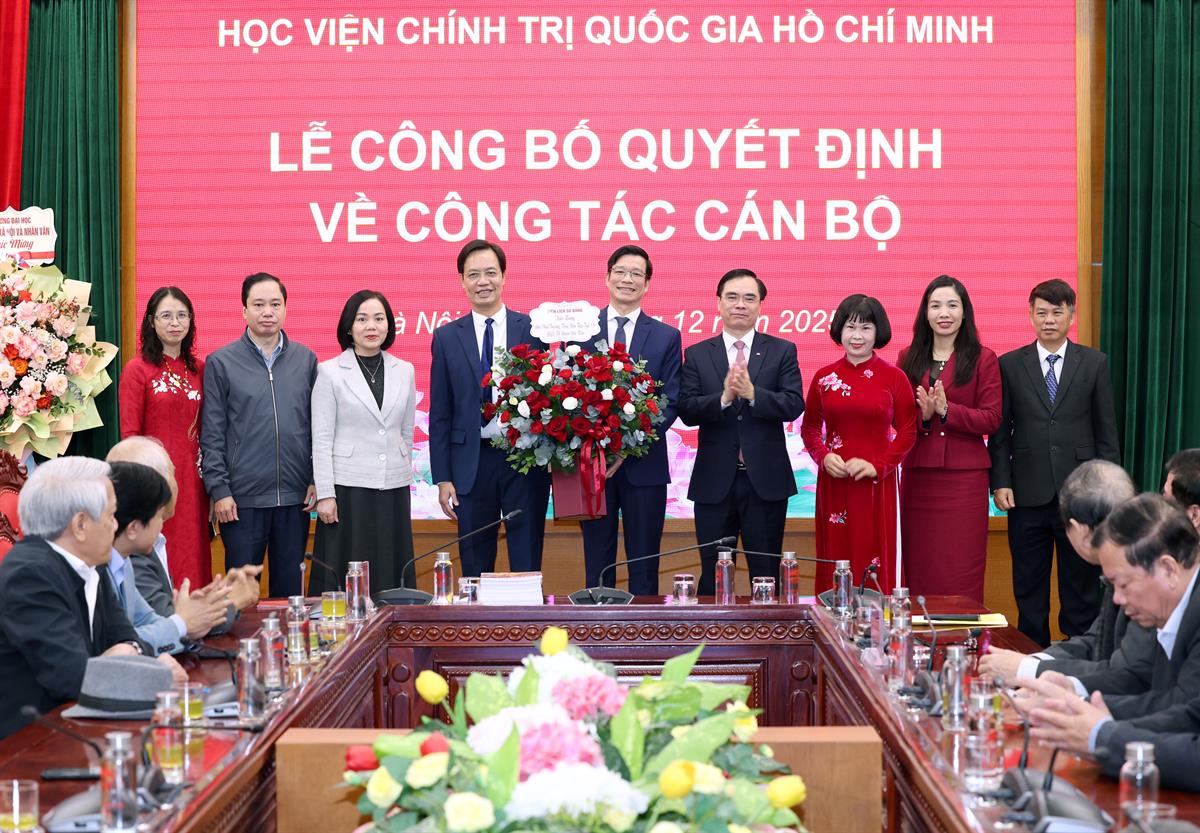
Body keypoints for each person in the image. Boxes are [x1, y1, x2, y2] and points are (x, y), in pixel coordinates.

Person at [1021, 493, 1200, 775]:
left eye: (1123, 584)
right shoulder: (1175, 607)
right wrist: (1077, 707)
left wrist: (1101, 736)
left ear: (1168, 569)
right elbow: (1179, 706)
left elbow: (1190, 729)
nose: (1117, 599)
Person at [989, 278, 1120, 646]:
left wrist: (1106, 490)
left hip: (1079, 495)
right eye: (1042, 312)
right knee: (1028, 582)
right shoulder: (1010, 364)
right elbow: (1000, 432)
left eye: (1057, 312)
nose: (1049, 320)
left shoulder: (1094, 363)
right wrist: (1001, 482)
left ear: (1071, 316)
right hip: (1025, 493)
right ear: (1030, 316)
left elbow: (1106, 431)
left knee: (1080, 584)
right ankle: (1032, 653)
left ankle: (1080, 651)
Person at [678, 269, 804, 595]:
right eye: (732, 297)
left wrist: (752, 394)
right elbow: (687, 409)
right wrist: (722, 399)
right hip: (713, 483)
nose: (740, 305)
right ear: (718, 302)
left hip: (765, 483)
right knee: (714, 575)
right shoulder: (697, 354)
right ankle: (712, 630)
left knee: (766, 575)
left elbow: (793, 404)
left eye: (749, 298)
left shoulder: (782, 350)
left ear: (760, 305)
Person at [429, 240, 551, 576]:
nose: (483, 281)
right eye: (473, 275)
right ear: (462, 281)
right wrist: (443, 477)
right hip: (470, 463)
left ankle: (527, 612)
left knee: (526, 558)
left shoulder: (533, 330)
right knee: (474, 562)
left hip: (523, 460)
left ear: (503, 276)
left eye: (490, 273)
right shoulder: (446, 337)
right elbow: (440, 414)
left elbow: (548, 398)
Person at [0, 458, 145, 738]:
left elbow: (132, 640)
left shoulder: (91, 564)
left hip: (78, 730)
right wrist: (121, 662)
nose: (116, 525)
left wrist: (127, 654)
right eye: (111, 516)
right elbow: (74, 679)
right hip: (28, 747)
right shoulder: (30, 576)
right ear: (80, 525)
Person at [201, 273, 318, 598]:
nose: (268, 312)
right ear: (244, 311)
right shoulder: (221, 362)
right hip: (241, 502)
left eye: (275, 304)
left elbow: (316, 428)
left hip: (294, 500)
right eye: (259, 304)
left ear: (285, 309)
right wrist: (220, 490)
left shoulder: (306, 360)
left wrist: (315, 478)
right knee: (241, 597)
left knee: (290, 596)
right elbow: (212, 433)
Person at [979, 459, 1147, 680]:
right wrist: (1030, 661)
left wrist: (1028, 670)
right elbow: (1095, 641)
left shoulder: (1145, 578)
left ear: (1078, 529)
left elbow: (1125, 674)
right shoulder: (1127, 563)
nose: (1118, 596)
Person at [578, 246, 682, 595]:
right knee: (597, 561)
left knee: (644, 563)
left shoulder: (667, 336)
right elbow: (568, 393)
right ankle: (596, 623)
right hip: (592, 466)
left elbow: (670, 400)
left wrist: (626, 446)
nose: (628, 279)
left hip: (645, 465)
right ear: (607, 278)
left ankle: (646, 628)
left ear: (647, 284)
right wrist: (599, 445)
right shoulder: (581, 332)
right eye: (621, 272)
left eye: (636, 274)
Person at [801, 295, 916, 595]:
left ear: (878, 332)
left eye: (866, 328)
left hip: (878, 484)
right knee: (836, 555)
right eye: (851, 327)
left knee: (876, 556)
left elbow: (908, 431)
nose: (857, 335)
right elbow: (810, 428)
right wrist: (823, 457)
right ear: (839, 330)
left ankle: (881, 620)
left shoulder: (894, 377)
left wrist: (879, 466)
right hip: (834, 482)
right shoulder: (824, 377)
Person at [897, 276, 1001, 602]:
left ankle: (963, 628)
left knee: (961, 563)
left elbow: (992, 418)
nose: (944, 313)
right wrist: (925, 416)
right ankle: (917, 627)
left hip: (964, 480)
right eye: (936, 306)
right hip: (919, 478)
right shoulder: (907, 357)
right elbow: (898, 420)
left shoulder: (983, 358)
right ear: (925, 313)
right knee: (920, 561)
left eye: (952, 305)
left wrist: (947, 411)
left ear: (964, 311)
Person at [311, 290, 416, 595]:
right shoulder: (329, 372)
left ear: (389, 325)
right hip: (348, 488)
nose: (371, 326)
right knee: (348, 567)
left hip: (393, 486)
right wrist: (325, 495)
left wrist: (402, 468)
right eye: (362, 319)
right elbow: (321, 438)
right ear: (349, 326)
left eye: (379, 319)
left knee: (391, 562)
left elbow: (406, 432)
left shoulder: (405, 370)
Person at [107, 436, 261, 631]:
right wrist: (230, 601)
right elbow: (169, 625)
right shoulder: (131, 551)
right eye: (173, 474)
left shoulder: (146, 540)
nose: (177, 482)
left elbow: (173, 615)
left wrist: (217, 597)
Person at [118, 286, 210, 588]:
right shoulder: (137, 370)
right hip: (154, 480)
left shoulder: (200, 369)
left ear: (191, 321)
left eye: (182, 315)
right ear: (152, 321)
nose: (175, 323)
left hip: (194, 482)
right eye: (166, 316)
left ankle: (195, 612)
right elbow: (129, 436)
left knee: (193, 553)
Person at [106, 461, 225, 662]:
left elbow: (147, 619)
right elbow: (118, 642)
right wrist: (182, 623)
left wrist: (187, 621)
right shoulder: (96, 568)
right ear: (133, 528)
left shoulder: (123, 564)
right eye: (159, 517)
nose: (162, 527)